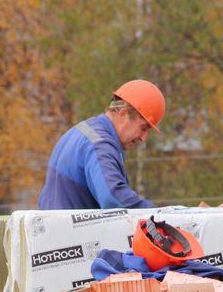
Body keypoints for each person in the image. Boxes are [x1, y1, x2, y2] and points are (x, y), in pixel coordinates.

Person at [38, 79, 165, 210]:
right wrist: (158, 215)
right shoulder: (99, 143)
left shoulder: (80, 132)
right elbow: (113, 198)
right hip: (70, 230)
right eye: (143, 128)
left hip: (54, 227)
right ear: (123, 113)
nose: (143, 138)